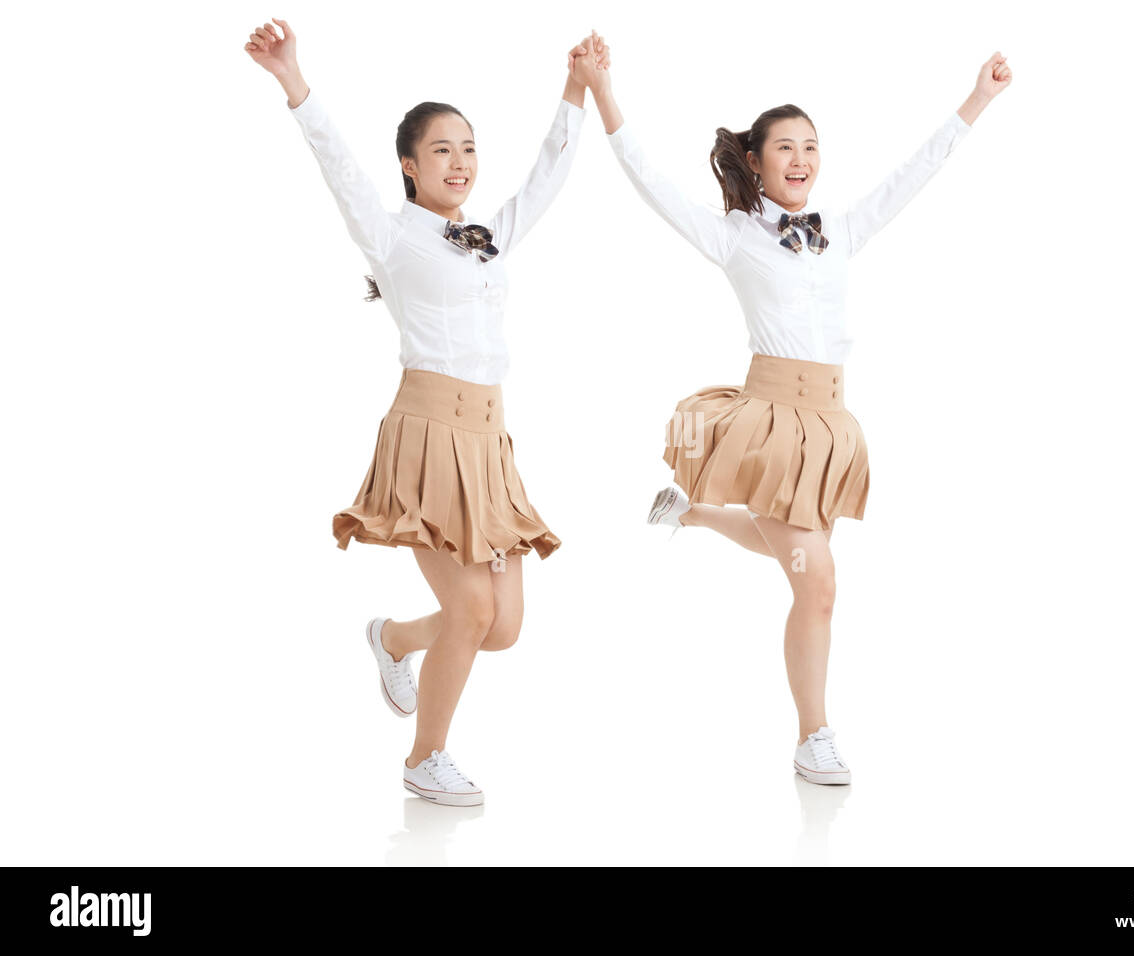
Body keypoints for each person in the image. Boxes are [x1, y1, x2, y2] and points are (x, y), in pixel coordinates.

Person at [571, 32, 1011, 785]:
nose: (801, 158)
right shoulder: (734, 235)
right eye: (786, 147)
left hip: (833, 428)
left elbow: (916, 173)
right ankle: (814, 736)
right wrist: (604, 92)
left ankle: (691, 515)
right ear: (756, 161)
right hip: (769, 423)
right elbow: (647, 178)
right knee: (818, 579)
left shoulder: (840, 229)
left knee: (797, 554)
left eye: (811, 145)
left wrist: (979, 97)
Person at [245, 18, 606, 807]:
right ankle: (424, 759)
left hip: (488, 439)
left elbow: (546, 176)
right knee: (473, 607)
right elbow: (336, 164)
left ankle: (393, 639)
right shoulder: (391, 237)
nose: (460, 162)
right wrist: (293, 78)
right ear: (410, 167)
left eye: (469, 149)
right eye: (442, 150)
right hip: (427, 432)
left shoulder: (489, 239)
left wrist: (575, 91)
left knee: (502, 626)